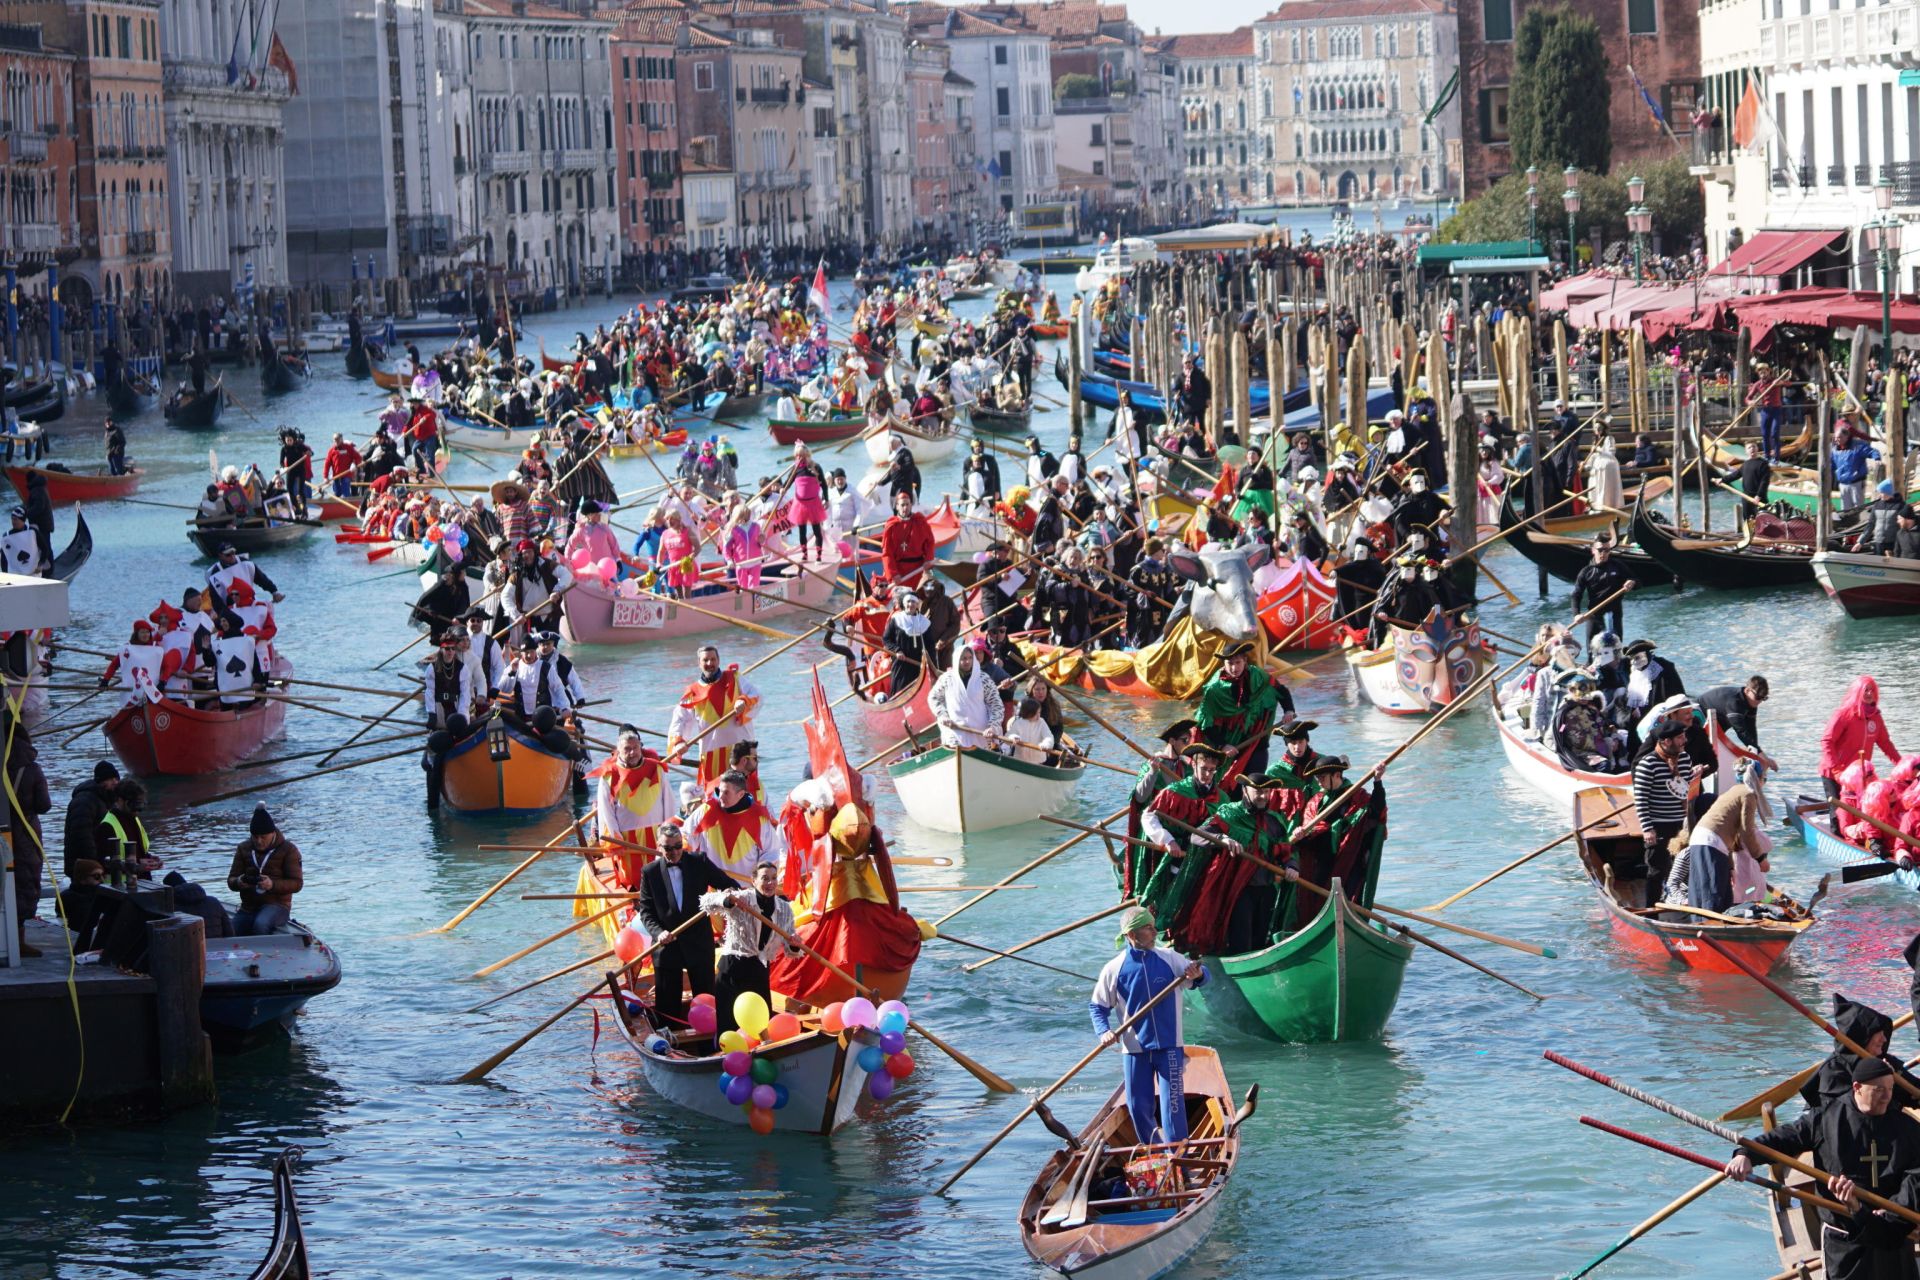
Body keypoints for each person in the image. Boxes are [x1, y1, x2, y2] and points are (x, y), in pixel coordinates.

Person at [1726, 1055, 1920, 1280]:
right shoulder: (1826, 1119)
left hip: (1892, 1236)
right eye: (1879, 1090)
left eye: (1890, 1088)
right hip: (1846, 1242)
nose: (1887, 1097)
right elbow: (1783, 1138)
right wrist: (1746, 1154)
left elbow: (1916, 1175)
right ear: (1857, 1087)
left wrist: (1895, 1210)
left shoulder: (1906, 1127)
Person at [1088, 905, 1208, 1146]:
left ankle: (1178, 1159)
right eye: (1148, 928)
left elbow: (1202, 977)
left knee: (1172, 1107)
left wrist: (1197, 975)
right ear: (1131, 935)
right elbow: (1097, 1007)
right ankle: (1155, 1154)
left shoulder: (1169, 958)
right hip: (1135, 1050)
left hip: (1169, 1047)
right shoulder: (1114, 969)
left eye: (1154, 927)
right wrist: (1104, 1032)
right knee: (1137, 1107)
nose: (1155, 933)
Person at [635, 821, 735, 1029]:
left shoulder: (700, 861)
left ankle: (712, 1042)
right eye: (669, 848)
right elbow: (646, 911)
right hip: (667, 945)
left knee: (707, 999)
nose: (675, 852)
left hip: (698, 943)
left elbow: (728, 886)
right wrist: (658, 932)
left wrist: (726, 897)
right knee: (667, 1005)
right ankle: (669, 1042)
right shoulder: (649, 872)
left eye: (678, 846)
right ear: (659, 847)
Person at [701, 857, 804, 1036]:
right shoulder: (742, 898)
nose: (770, 883)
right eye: (765, 878)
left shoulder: (785, 909)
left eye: (773, 878)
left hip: (759, 971)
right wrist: (727, 900)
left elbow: (790, 950)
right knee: (729, 1026)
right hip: (733, 970)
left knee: (761, 1027)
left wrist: (795, 945)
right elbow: (706, 901)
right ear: (754, 880)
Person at [1664, 783, 1771, 913]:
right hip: (1682, 906)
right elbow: (1672, 884)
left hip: (1726, 896)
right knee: (1715, 897)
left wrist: (1731, 867)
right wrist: (1684, 901)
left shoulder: (1724, 842)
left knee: (1722, 898)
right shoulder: (1688, 852)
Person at [1799, 995, 1920, 1109]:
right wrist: (1885, 1081)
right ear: (1863, 1035)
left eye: (1885, 1033)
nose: (1884, 1039)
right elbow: (1849, 1114)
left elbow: (1913, 1087)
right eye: (1879, 1033)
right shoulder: (1834, 1072)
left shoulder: (1885, 1061)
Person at [1194, 640, 1293, 777]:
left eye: (1238, 663)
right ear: (1224, 664)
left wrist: (1288, 710)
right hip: (1229, 746)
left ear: (1245, 661)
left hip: (1256, 741)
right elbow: (1205, 724)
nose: (1234, 668)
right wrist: (1223, 745)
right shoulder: (1214, 689)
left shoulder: (1258, 675)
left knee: (1256, 781)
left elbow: (1281, 691)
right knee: (1230, 787)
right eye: (1230, 663)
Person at [665, 644, 760, 786]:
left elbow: (756, 696)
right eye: (705, 660)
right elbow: (680, 720)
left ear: (718, 660)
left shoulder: (734, 678)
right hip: (712, 755)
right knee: (715, 796)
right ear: (699, 663)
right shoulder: (692, 691)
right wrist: (679, 742)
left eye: (713, 659)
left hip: (741, 751)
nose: (710, 663)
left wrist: (743, 701)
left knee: (748, 794)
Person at [1632, 721, 1700, 905]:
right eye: (1680, 738)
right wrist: (1648, 829)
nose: (1684, 740)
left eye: (1683, 736)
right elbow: (1640, 800)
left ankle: (1685, 904)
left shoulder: (1685, 759)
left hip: (1682, 824)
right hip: (1658, 825)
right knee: (1657, 870)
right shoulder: (1648, 764)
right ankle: (1651, 909)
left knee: (1685, 867)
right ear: (1667, 741)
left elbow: (1685, 791)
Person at [683, 768, 777, 880]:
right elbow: (686, 836)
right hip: (714, 885)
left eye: (726, 792)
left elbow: (771, 852)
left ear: (741, 794)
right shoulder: (706, 810)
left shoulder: (760, 816)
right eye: (719, 791)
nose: (720, 796)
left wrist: (761, 875)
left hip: (747, 887)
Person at [1821, 675, 1901, 802]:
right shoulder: (1843, 714)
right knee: (1838, 814)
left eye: (1872, 690)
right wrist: (1836, 770)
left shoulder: (1876, 717)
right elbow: (1827, 742)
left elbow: (1885, 744)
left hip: (1860, 774)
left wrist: (1903, 765)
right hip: (1835, 773)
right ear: (1857, 692)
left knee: (1863, 811)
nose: (1870, 693)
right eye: (1866, 690)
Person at [225, 804, 303, 935]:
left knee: (261, 924)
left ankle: (265, 955)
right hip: (248, 907)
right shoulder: (243, 848)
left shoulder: (289, 850)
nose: (259, 841)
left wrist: (272, 885)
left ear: (273, 833)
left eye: (263, 837)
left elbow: (297, 883)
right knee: (230, 931)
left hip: (278, 906)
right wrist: (239, 881)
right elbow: (231, 880)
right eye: (255, 837)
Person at [6, 726, 49, 956]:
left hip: (4, 830)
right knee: (26, 880)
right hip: (24, 832)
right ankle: (18, 939)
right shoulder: (31, 769)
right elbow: (44, 805)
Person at [1700, 676, 1778, 781]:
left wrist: (1756, 754)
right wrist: (1763, 757)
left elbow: (1751, 729)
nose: (1759, 702)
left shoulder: (1751, 702)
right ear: (1747, 690)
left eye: (1763, 698)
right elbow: (1741, 732)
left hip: (1718, 719)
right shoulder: (1734, 702)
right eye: (1758, 697)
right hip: (1700, 716)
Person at [930, 644, 1002, 750]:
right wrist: (943, 716)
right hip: (955, 732)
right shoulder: (946, 679)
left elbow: (996, 704)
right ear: (956, 660)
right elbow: (933, 698)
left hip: (980, 735)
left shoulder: (983, 679)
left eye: (970, 658)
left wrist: (992, 727)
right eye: (963, 659)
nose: (967, 661)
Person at [64, 761, 118, 879]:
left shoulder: (106, 800)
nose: (115, 782)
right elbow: (82, 836)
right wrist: (95, 865)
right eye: (110, 779)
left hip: (96, 866)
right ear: (101, 781)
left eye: (115, 778)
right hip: (84, 867)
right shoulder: (85, 801)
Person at [878, 489, 935, 588]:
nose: (905, 508)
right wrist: (893, 574)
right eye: (902, 505)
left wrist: (928, 560)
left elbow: (930, 542)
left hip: (918, 570)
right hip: (900, 573)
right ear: (897, 507)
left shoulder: (920, 522)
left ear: (911, 505)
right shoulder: (891, 526)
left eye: (907, 504)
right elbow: (887, 553)